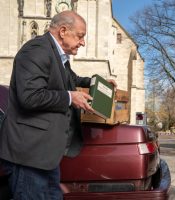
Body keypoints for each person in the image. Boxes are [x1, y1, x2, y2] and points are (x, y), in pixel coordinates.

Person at [0, 11, 96, 199]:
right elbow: (30, 97)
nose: (83, 42)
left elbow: (71, 79)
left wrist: (97, 83)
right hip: (28, 156)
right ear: (63, 31)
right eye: (80, 36)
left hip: (45, 157)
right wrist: (70, 97)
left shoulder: (56, 55)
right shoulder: (36, 50)